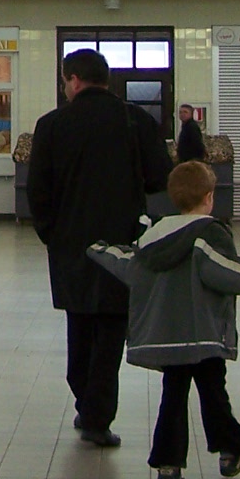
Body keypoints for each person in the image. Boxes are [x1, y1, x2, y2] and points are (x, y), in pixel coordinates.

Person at [90, 159, 240, 479]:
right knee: (213, 394)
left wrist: (99, 250)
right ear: (209, 197)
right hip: (203, 332)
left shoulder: (152, 238)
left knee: (173, 394)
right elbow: (227, 269)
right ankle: (233, 450)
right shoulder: (208, 235)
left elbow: (128, 264)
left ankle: (168, 465)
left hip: (168, 336)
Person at [27, 48, 172, 448]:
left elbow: (36, 190)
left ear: (73, 79)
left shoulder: (52, 125)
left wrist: (50, 233)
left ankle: (85, 401)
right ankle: (96, 416)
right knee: (111, 327)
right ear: (105, 80)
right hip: (122, 242)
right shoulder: (135, 120)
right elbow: (162, 178)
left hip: (70, 243)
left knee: (79, 321)